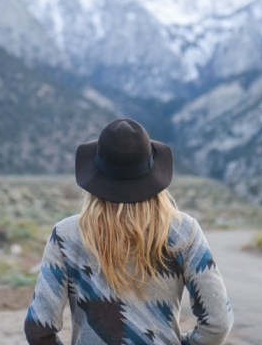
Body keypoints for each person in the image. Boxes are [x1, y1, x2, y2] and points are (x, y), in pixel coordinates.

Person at [25, 118, 233, 344]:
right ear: (153, 172)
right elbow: (218, 323)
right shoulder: (185, 231)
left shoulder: (66, 235)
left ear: (96, 173)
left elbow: (38, 328)